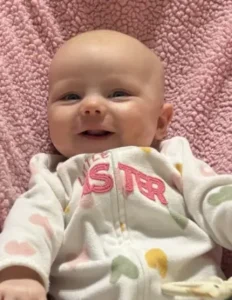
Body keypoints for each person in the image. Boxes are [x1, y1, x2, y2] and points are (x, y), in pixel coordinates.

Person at [0, 29, 232, 300]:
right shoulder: (55, 177)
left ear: (160, 122)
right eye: (70, 97)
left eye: (118, 93)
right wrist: (20, 273)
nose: (91, 105)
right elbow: (30, 222)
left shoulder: (175, 159)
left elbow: (215, 196)